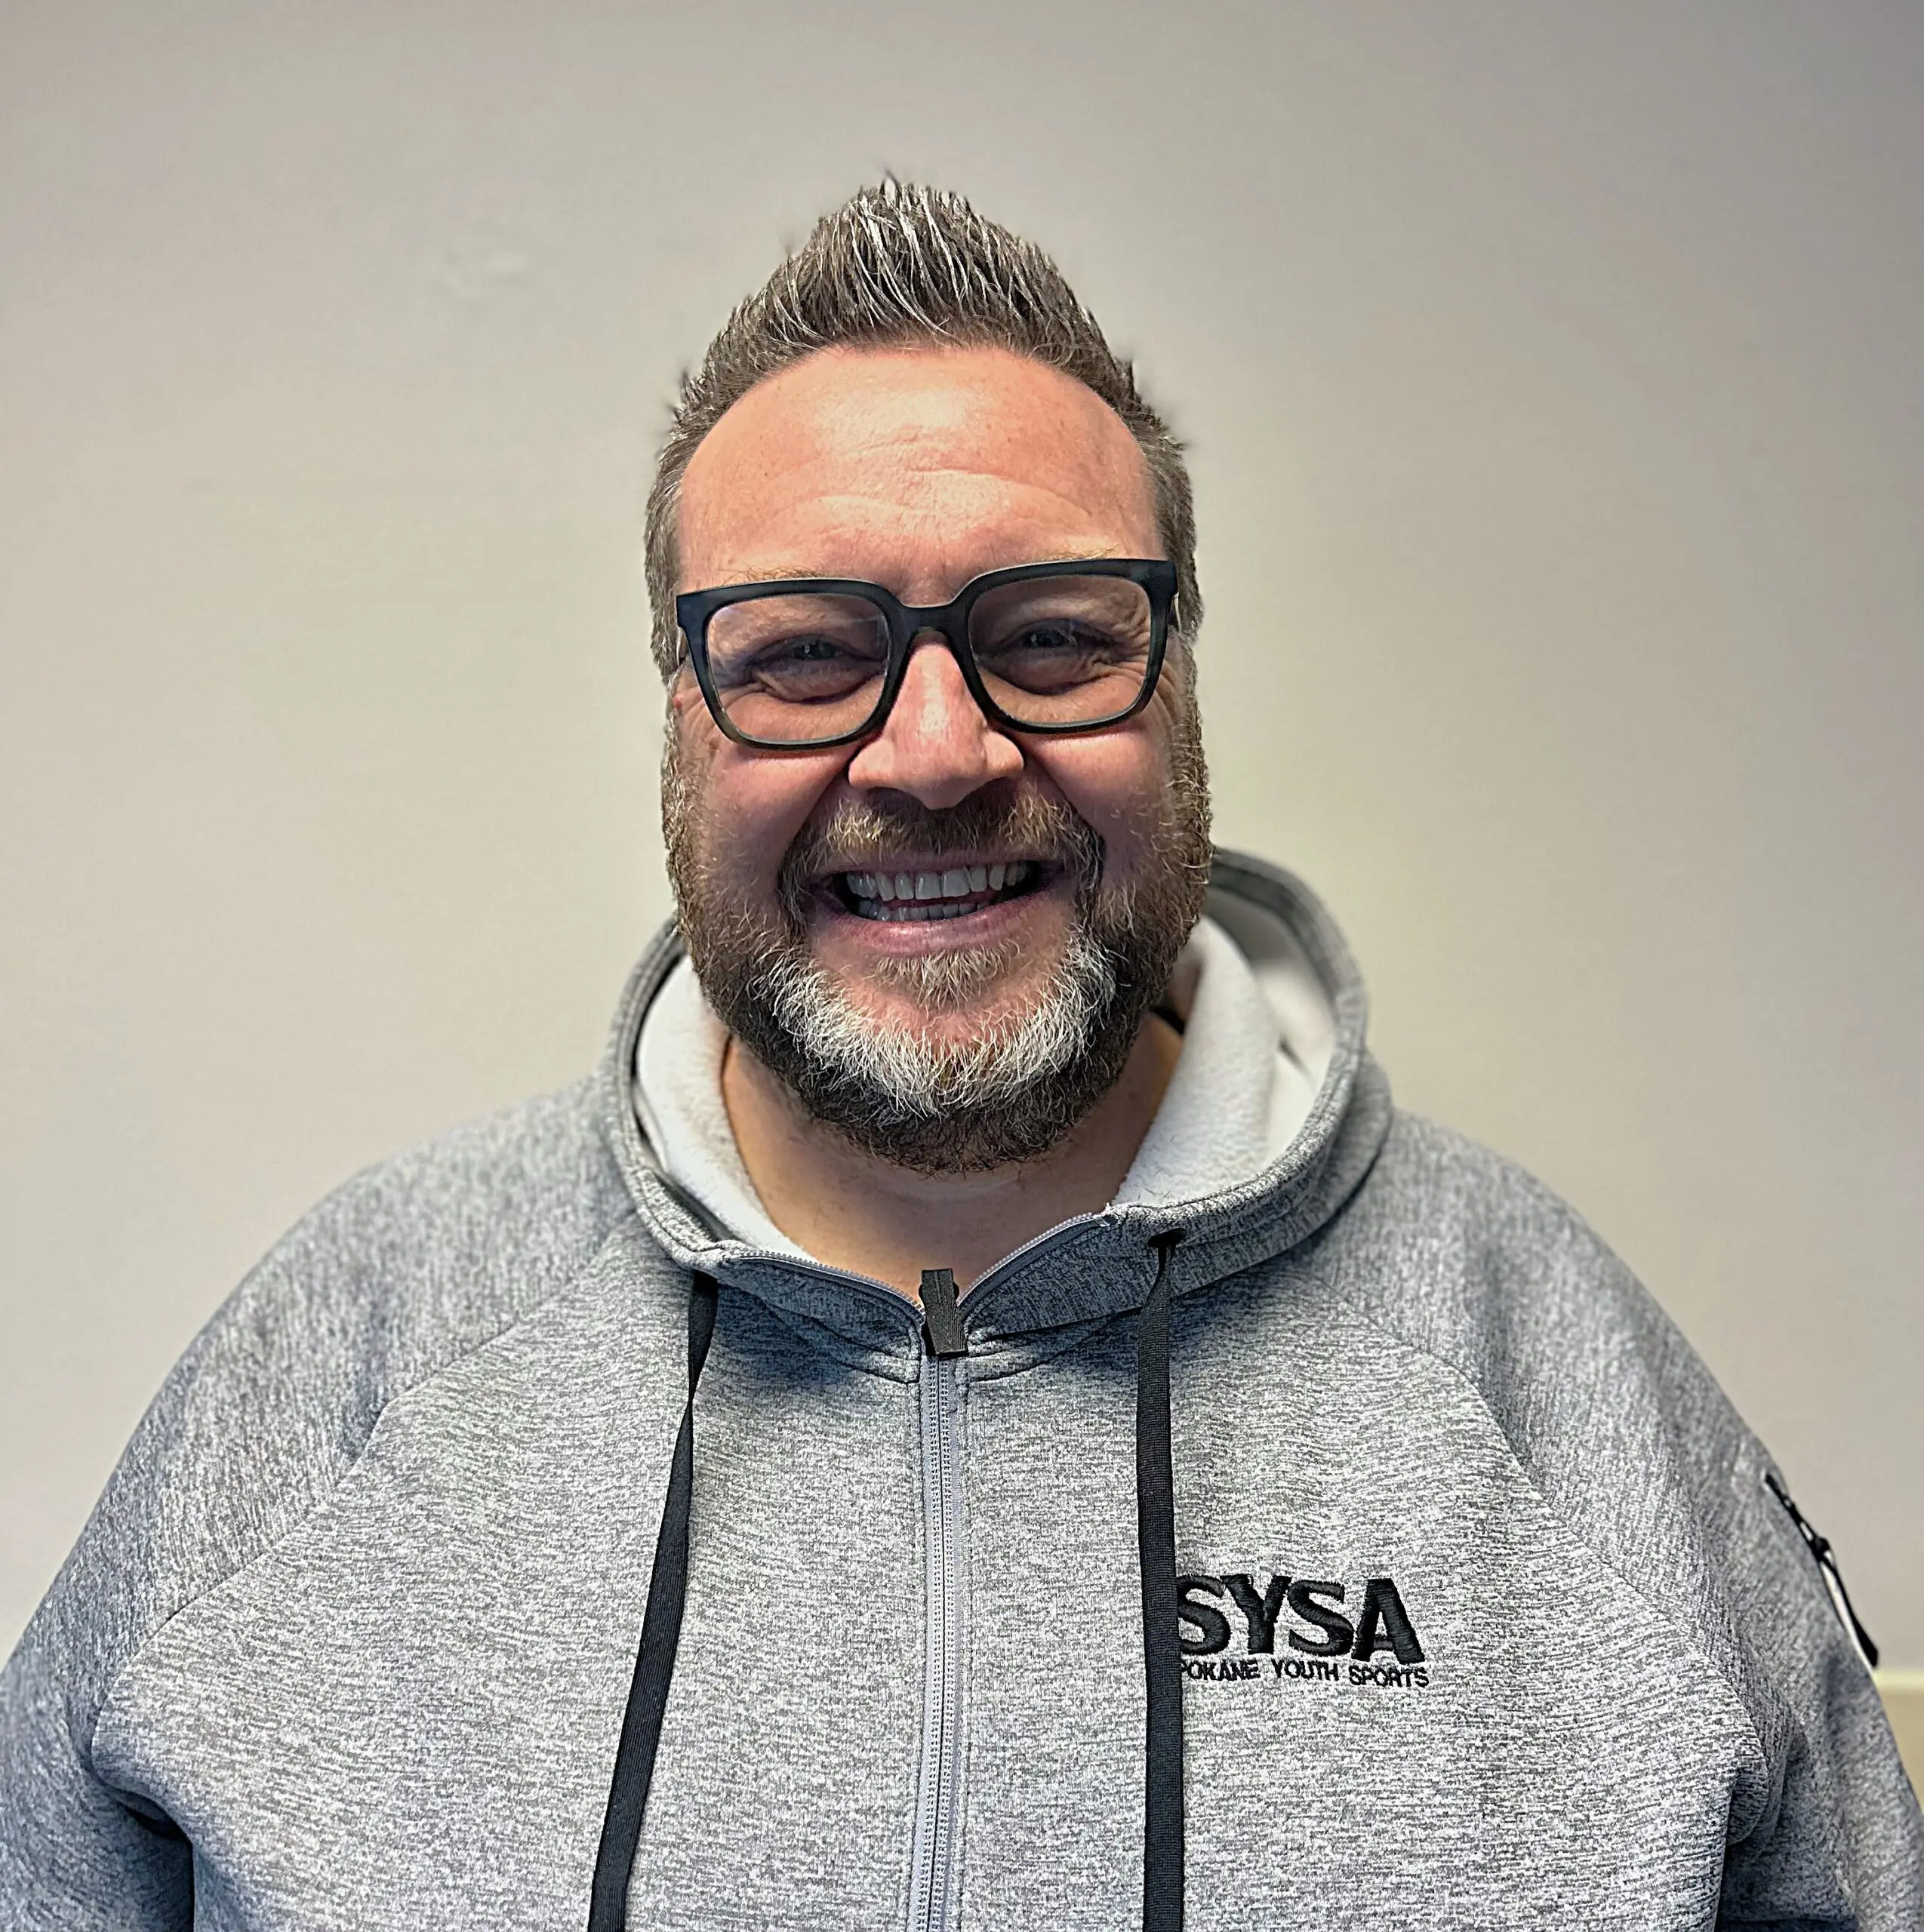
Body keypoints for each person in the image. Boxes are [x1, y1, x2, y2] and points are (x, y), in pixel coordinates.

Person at [2, 180, 1917, 1932]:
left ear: (1177, 681)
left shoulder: (1557, 1383)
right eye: (802, 652)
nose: (932, 751)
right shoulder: (347, 1358)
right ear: (679, 712)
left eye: (1054, 635)